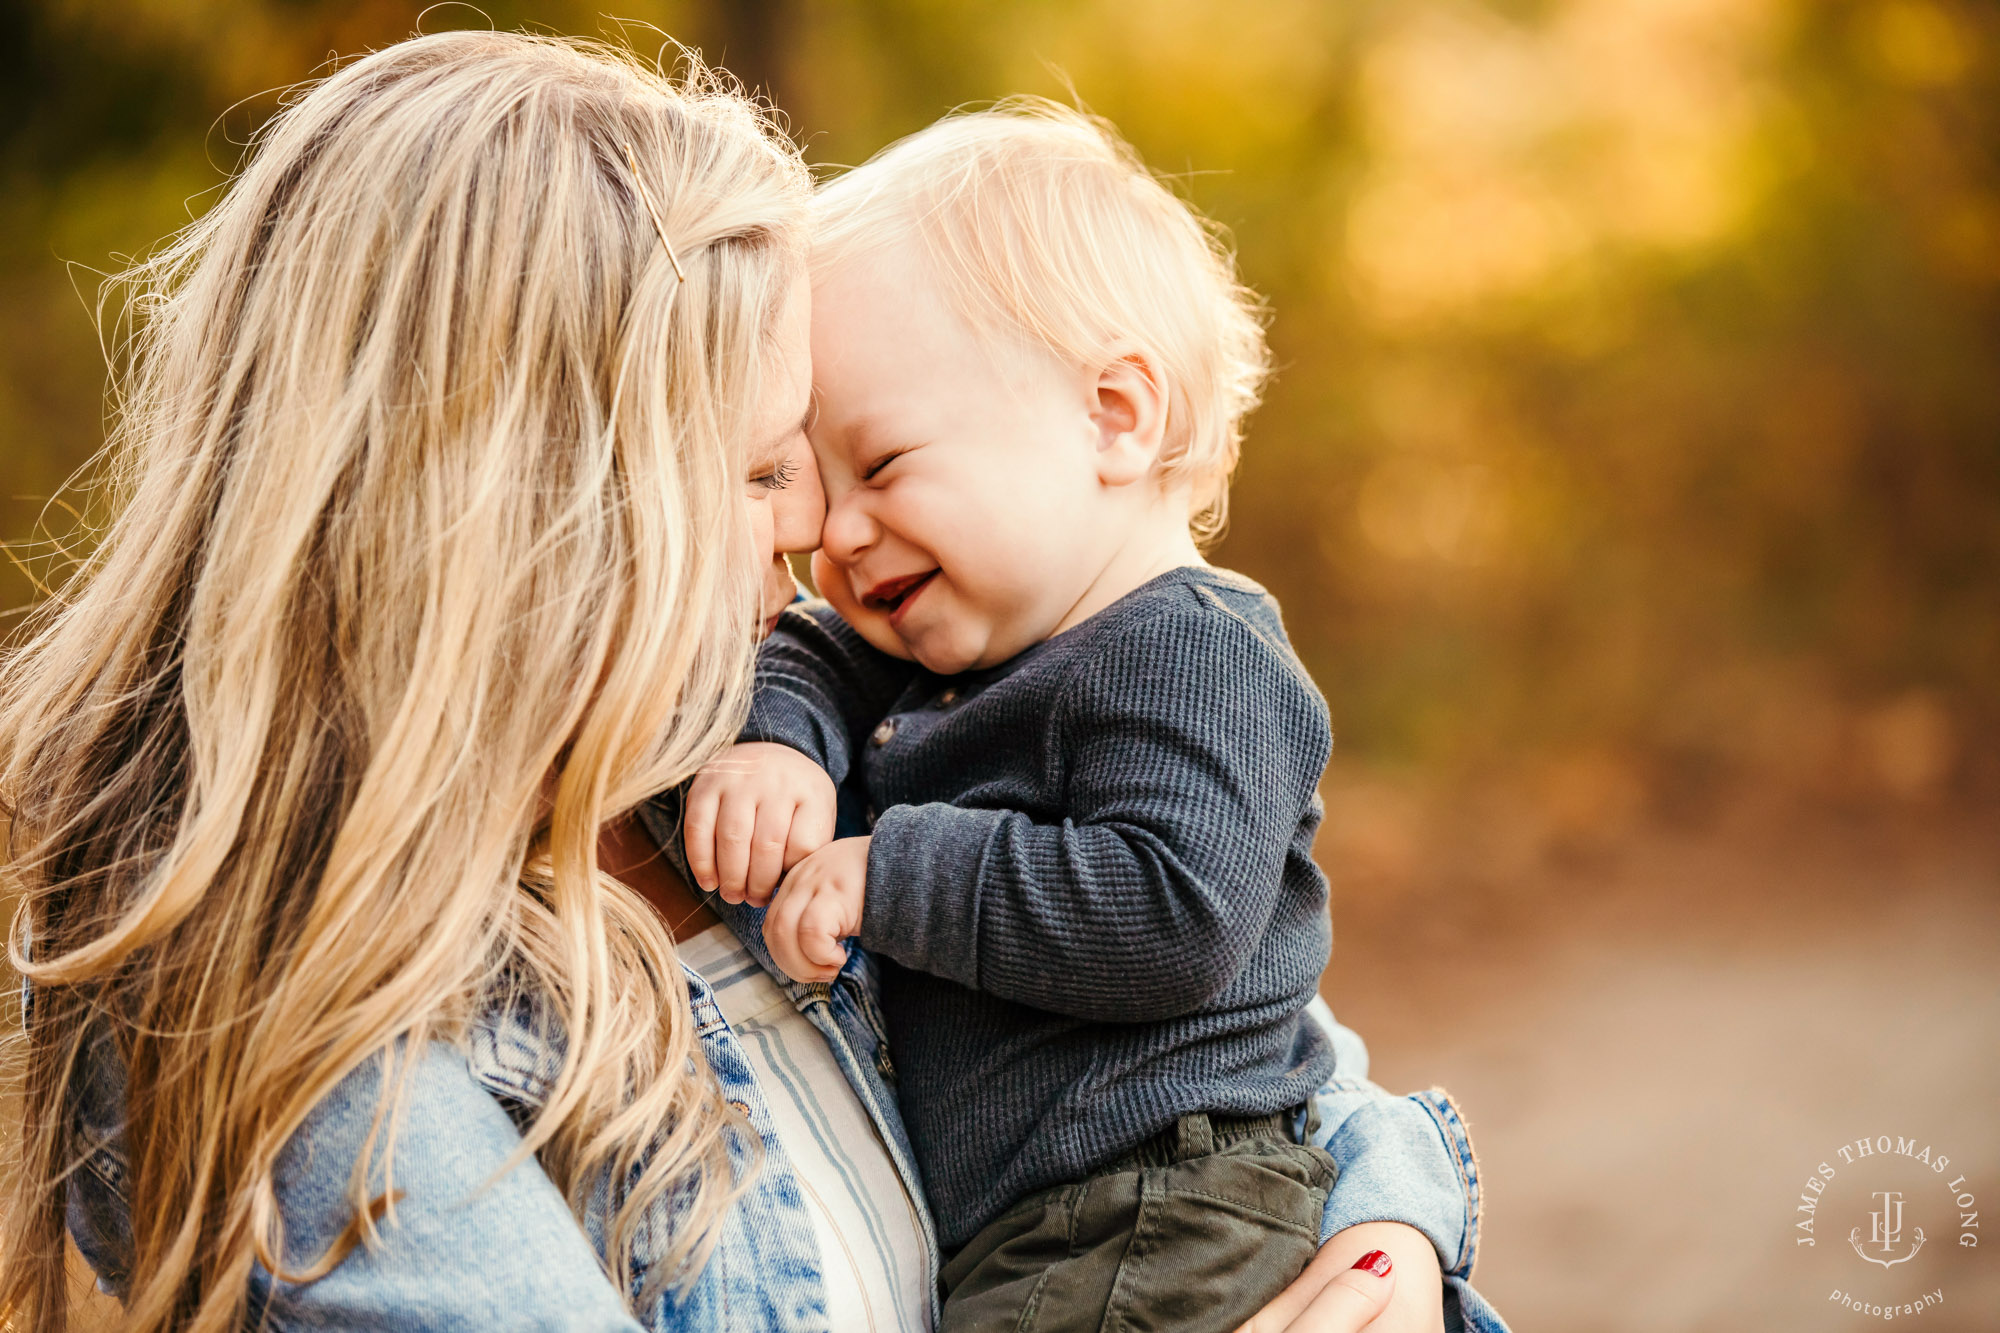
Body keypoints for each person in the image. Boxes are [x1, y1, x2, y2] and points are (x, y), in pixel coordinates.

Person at [0, 30, 1501, 1333]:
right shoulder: (328, 1040)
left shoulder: (694, 786)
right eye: (768, 464)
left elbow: (1254, 1045)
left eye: (848, 459)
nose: (818, 535)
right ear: (529, 500)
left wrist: (1393, 1229)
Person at [674, 101, 1485, 1333]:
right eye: (816, 482)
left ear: (1113, 415)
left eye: (881, 467)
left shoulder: (1193, 655)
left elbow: (1174, 912)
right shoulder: (946, 640)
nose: (831, 535)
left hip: (1164, 1208)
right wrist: (777, 743)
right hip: (1038, 1229)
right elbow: (813, 655)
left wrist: (887, 871)